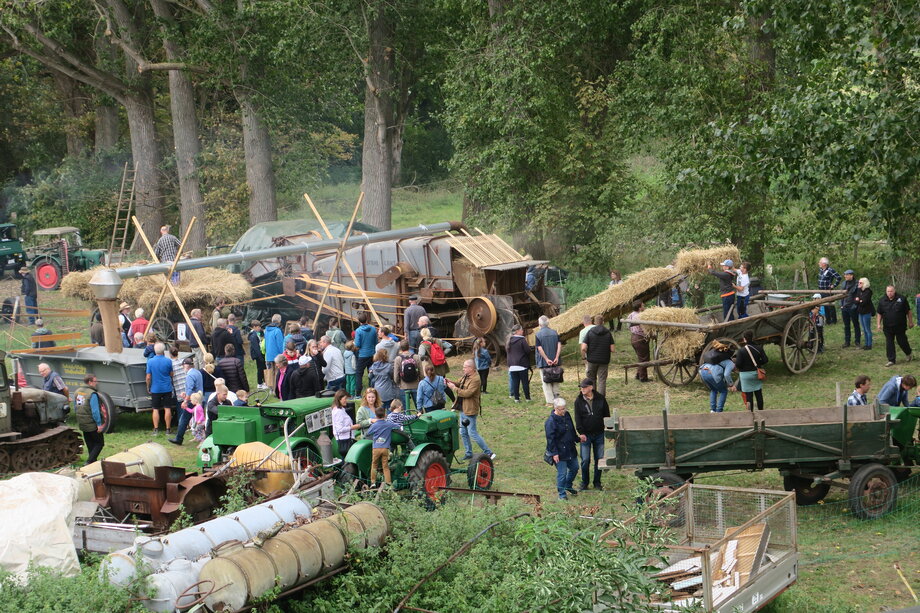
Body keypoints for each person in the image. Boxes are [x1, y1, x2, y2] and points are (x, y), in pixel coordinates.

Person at [447, 359, 494, 461]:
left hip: (470, 409)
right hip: (463, 408)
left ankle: (489, 452)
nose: (463, 369)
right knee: (463, 432)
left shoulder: (476, 379)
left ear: (471, 368)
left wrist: (453, 388)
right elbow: (459, 383)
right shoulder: (466, 376)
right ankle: (468, 453)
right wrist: (450, 382)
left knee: (472, 432)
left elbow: (467, 393)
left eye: (465, 367)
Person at [573, 378, 610, 491]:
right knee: (585, 460)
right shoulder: (578, 401)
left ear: (591, 387)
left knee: (599, 459)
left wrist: (608, 429)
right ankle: (585, 483)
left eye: (584, 387)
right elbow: (577, 419)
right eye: (581, 387)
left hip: (599, 434)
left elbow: (606, 415)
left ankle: (597, 482)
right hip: (586, 436)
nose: (582, 389)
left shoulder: (601, 399)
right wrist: (581, 433)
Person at [545, 397, 579, 501]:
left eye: (564, 408)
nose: (563, 411)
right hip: (559, 452)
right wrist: (554, 453)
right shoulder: (550, 422)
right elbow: (550, 439)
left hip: (570, 449)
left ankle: (568, 485)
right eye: (561, 409)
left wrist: (577, 439)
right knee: (562, 473)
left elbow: (571, 430)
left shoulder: (567, 415)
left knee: (575, 468)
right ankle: (562, 494)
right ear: (555, 408)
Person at [877, 285, 913, 367]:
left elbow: (908, 311)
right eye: (888, 291)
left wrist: (910, 322)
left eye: (891, 291)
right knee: (889, 342)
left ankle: (908, 353)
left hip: (900, 326)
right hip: (887, 326)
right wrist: (879, 324)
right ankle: (891, 360)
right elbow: (879, 313)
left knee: (902, 341)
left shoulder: (902, 299)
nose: (889, 293)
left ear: (894, 291)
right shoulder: (882, 300)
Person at [168, 357, 202, 446]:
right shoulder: (197, 372)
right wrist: (185, 393)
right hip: (199, 398)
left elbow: (190, 389)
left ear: (186, 366)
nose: (183, 368)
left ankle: (179, 439)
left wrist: (185, 401)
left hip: (192, 400)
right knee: (198, 419)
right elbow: (195, 387)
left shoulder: (189, 375)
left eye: (183, 366)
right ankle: (199, 437)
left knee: (184, 419)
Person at [366, 406, 402, 486]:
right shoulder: (388, 424)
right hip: (385, 448)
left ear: (375, 415)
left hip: (376, 448)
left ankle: (373, 483)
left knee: (374, 465)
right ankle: (388, 483)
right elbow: (398, 426)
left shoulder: (374, 425)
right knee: (385, 466)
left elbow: (367, 433)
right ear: (385, 415)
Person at [74, 374, 105, 464]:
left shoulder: (78, 391)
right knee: (99, 443)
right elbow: (95, 411)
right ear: (90, 382)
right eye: (95, 381)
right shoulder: (92, 394)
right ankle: (89, 461)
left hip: (82, 421)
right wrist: (99, 424)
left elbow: (75, 407)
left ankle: (92, 461)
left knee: (90, 443)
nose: (96, 383)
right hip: (91, 423)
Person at [581, 315, 615, 397]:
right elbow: (613, 349)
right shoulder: (608, 333)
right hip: (604, 360)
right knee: (602, 380)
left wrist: (586, 354)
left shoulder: (590, 332)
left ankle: (592, 396)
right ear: (603, 322)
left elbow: (583, 348)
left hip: (592, 360)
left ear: (594, 322)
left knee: (591, 379)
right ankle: (601, 398)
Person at [734, 330, 767, 411]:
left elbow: (738, 364)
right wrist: (758, 364)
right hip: (756, 373)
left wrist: (742, 367)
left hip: (745, 375)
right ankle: (761, 411)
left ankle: (750, 413)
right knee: (758, 394)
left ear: (744, 339)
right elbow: (765, 360)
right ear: (752, 338)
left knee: (749, 396)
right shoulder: (759, 348)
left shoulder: (741, 351)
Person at [699, 341, 736, 413]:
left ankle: (712, 410)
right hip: (712, 373)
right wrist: (731, 384)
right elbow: (726, 374)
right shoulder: (730, 363)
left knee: (714, 390)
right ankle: (719, 411)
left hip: (703, 370)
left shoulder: (716, 357)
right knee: (723, 391)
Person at [145, 342, 174, 435]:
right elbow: (171, 374)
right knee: (167, 408)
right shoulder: (168, 361)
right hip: (167, 388)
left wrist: (148, 386)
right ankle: (168, 429)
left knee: (155, 409)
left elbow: (148, 376)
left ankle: (156, 429)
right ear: (163, 350)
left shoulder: (150, 361)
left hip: (156, 388)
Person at [534, 315, 562, 405]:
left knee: (546, 381)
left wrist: (546, 359)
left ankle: (550, 401)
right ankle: (556, 398)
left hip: (544, 362)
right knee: (556, 378)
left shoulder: (538, 335)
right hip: (555, 361)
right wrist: (556, 357)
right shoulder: (555, 332)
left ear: (539, 324)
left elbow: (539, 348)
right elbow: (559, 345)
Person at [506, 324, 532, 403]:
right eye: (521, 330)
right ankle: (527, 398)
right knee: (525, 382)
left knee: (515, 382)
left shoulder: (509, 340)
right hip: (522, 365)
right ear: (517, 331)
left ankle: (516, 398)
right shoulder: (522, 340)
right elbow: (528, 351)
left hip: (512, 365)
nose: (522, 331)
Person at [626, 301, 650, 382]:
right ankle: (643, 378)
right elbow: (643, 327)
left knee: (641, 357)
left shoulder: (630, 315)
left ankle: (638, 374)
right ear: (640, 308)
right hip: (640, 338)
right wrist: (649, 334)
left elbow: (628, 326)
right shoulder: (640, 316)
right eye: (643, 305)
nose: (644, 306)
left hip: (633, 337)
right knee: (644, 359)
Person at [353, 312, 377, 394]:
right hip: (372, 354)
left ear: (359, 321)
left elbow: (358, 344)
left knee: (359, 374)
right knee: (372, 372)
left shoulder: (358, 331)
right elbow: (376, 342)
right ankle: (372, 389)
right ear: (367, 319)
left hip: (362, 355)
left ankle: (358, 392)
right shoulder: (373, 329)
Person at [331, 389, 359, 457]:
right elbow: (339, 429)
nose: (346, 400)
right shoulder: (338, 412)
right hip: (344, 440)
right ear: (339, 399)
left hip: (346, 438)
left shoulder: (340, 409)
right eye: (345, 398)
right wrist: (353, 427)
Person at [393, 340, 420, 410]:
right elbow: (422, 373)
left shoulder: (398, 359)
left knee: (405, 408)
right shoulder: (416, 357)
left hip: (403, 385)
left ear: (400, 348)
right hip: (415, 385)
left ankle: (407, 420)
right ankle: (420, 418)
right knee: (418, 406)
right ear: (409, 347)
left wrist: (398, 383)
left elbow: (396, 376)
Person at [817, 257, 842, 324]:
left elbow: (839, 277)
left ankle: (834, 320)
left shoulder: (830, 270)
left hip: (828, 291)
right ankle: (828, 321)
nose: (819, 263)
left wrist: (834, 285)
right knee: (825, 306)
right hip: (821, 291)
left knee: (830, 306)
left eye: (820, 262)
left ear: (824, 264)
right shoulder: (821, 270)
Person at [263, 314, 285, 390]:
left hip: (269, 354)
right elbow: (280, 344)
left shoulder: (266, 330)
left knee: (270, 372)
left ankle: (271, 389)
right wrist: (282, 354)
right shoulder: (277, 331)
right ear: (279, 321)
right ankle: (277, 388)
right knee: (277, 372)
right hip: (276, 355)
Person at [841, 270, 861, 348]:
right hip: (844, 308)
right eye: (845, 275)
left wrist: (854, 306)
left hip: (853, 308)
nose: (845, 276)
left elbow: (859, 295)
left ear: (851, 275)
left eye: (847, 275)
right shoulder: (843, 283)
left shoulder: (857, 283)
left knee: (856, 324)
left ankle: (857, 341)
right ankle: (847, 342)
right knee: (846, 326)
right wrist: (841, 305)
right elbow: (841, 295)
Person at [854, 278, 875, 351]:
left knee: (867, 329)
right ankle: (866, 343)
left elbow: (864, 302)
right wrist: (859, 300)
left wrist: (859, 300)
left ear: (864, 283)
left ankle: (869, 344)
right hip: (860, 312)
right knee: (863, 329)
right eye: (859, 283)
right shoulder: (859, 290)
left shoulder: (868, 291)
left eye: (860, 283)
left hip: (866, 312)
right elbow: (856, 301)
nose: (859, 284)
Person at [248, 320, 267, 390]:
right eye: (258, 327)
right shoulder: (253, 336)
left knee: (262, 368)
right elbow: (256, 347)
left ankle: (263, 382)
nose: (260, 328)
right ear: (254, 327)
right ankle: (259, 383)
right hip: (258, 355)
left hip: (259, 354)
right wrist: (260, 356)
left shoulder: (256, 333)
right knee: (260, 369)